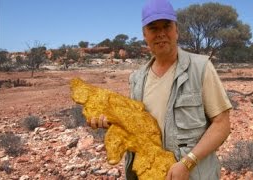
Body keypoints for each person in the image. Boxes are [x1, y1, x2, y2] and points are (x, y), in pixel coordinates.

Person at [90, 0, 232, 179]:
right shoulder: (137, 79)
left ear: (176, 30)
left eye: (167, 26)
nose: (161, 34)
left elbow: (222, 124)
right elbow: (136, 129)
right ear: (144, 35)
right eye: (153, 28)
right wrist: (110, 121)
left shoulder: (200, 67)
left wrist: (188, 163)